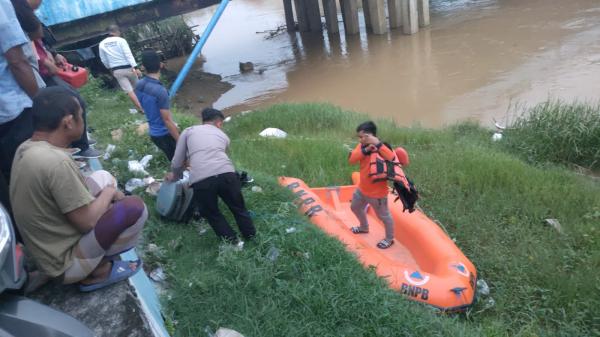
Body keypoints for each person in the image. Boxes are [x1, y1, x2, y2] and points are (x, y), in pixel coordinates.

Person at [10, 86, 146, 292]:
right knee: (135, 208)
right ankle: (97, 271)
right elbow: (87, 223)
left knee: (103, 177)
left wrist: (107, 190)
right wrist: (109, 193)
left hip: (45, 250)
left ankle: (93, 259)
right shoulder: (56, 162)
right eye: (81, 116)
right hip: (64, 265)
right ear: (69, 122)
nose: (83, 120)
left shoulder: (27, 147)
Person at [11, 0, 100, 158]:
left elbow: (39, 45)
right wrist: (43, 61)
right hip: (39, 75)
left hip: (44, 71)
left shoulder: (28, 17)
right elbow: (23, 53)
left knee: (74, 100)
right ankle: (81, 146)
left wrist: (53, 54)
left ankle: (78, 142)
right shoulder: (16, 18)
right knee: (74, 102)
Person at [166, 108, 256, 244]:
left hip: (202, 180)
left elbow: (177, 161)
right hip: (228, 175)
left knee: (212, 213)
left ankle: (234, 243)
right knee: (239, 208)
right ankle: (251, 237)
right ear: (219, 123)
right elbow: (220, 155)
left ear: (204, 121)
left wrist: (176, 176)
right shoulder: (223, 136)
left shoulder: (189, 131)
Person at [0, 0, 43, 211]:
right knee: (33, 181)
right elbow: (16, 61)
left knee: (10, 187)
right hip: (12, 109)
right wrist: (42, 104)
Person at [348, 121, 396, 249]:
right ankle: (364, 227)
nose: (360, 139)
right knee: (355, 207)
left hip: (378, 194)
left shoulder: (383, 146)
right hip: (362, 189)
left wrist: (377, 145)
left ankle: (389, 239)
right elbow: (352, 160)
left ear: (371, 135)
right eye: (359, 137)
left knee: (384, 216)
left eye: (362, 136)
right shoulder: (361, 146)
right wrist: (366, 150)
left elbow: (392, 158)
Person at [135, 49, 179, 160]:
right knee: (181, 162)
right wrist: (179, 140)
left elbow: (144, 105)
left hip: (154, 133)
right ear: (161, 65)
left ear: (143, 67)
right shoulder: (160, 91)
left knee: (173, 159)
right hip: (165, 134)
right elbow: (167, 120)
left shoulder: (139, 84)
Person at [98, 24, 143, 112]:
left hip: (116, 70)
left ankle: (141, 109)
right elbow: (128, 54)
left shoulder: (102, 44)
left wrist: (110, 68)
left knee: (129, 90)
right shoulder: (121, 40)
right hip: (128, 68)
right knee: (137, 87)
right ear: (117, 31)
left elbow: (103, 59)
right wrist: (136, 67)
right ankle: (146, 104)